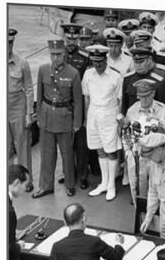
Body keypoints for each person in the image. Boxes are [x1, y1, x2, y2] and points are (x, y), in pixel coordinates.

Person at [33, 39, 83, 198]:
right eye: (52, 54)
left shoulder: (73, 73)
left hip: (64, 118)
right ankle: (46, 186)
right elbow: (39, 95)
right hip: (47, 117)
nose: (55, 58)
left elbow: (78, 101)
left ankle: (69, 184)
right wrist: (39, 117)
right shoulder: (43, 70)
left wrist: (77, 123)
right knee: (46, 155)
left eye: (59, 54)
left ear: (64, 54)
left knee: (67, 154)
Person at [121, 79, 165, 202]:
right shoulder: (133, 110)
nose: (144, 100)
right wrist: (127, 152)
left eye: (146, 96)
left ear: (153, 93)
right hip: (137, 156)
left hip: (156, 156)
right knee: (137, 192)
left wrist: (161, 123)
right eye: (141, 97)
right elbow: (125, 133)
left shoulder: (162, 110)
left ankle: (158, 219)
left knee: (159, 192)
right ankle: (142, 218)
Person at [82, 45, 123, 201]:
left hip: (109, 114)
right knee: (99, 149)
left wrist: (119, 121)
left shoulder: (115, 76)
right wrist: (87, 118)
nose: (97, 65)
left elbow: (120, 100)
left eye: (100, 61)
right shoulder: (88, 74)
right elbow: (86, 97)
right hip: (93, 113)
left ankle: (111, 184)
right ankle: (104, 183)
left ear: (105, 59)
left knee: (111, 150)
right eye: (94, 61)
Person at [59, 23, 92, 190]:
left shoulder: (85, 57)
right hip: (63, 106)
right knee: (65, 144)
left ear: (78, 38)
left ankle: (82, 175)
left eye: (75, 38)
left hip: (78, 105)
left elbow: (88, 84)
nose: (71, 41)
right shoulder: (58, 55)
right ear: (64, 37)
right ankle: (68, 173)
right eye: (68, 38)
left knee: (81, 145)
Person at [7, 29, 34, 192]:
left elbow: (29, 88)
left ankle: (26, 181)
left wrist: (29, 113)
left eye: (11, 42)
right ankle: (9, 181)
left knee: (23, 146)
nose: (8, 46)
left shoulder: (22, 63)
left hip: (18, 107)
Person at [122, 47, 165, 112]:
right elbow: (124, 105)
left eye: (141, 62)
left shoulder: (159, 81)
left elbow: (164, 108)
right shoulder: (128, 79)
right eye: (136, 62)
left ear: (149, 60)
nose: (138, 65)